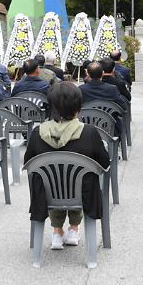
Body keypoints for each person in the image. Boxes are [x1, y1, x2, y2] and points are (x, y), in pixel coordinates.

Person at [24, 81, 110, 249]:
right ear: (78, 107)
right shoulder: (89, 132)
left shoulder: (37, 132)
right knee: (81, 178)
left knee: (51, 179)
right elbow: (104, 163)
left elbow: (28, 164)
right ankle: (73, 229)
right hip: (83, 195)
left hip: (46, 196)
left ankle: (57, 232)